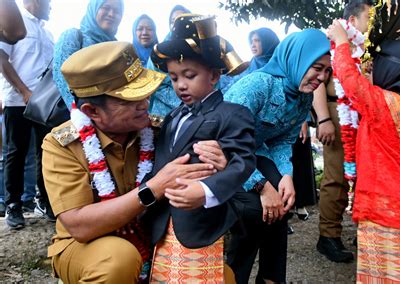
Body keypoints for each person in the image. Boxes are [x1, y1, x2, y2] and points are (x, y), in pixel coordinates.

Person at [42, 41, 229, 283]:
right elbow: (79, 226)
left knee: (221, 275)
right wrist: (153, 189)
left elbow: (202, 183)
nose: (144, 104)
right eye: (129, 100)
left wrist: (219, 167)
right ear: (92, 111)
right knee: (118, 260)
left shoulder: (162, 131)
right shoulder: (62, 144)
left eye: (144, 92)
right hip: (86, 246)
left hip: (152, 236)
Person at [147, 14, 256, 282]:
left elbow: (243, 162)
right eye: (173, 77)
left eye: (189, 75)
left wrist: (206, 190)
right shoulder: (172, 116)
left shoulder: (233, 113)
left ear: (215, 75)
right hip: (162, 220)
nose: (180, 84)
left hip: (203, 220)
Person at [327, 20, 400, 283]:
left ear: (392, 71)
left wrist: (342, 42)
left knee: (384, 276)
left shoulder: (384, 105)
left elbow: (349, 80)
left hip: (385, 211)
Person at [225, 29, 332, 283]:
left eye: (327, 71)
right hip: (221, 156)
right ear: (297, 59)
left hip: (253, 151)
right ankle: (233, 276)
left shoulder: (302, 97)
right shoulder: (258, 85)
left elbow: (283, 140)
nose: (322, 77)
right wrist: (261, 186)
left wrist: (285, 176)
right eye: (317, 68)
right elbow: (226, 141)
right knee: (254, 209)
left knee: (282, 202)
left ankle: (272, 278)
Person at [313, 0, 371, 262]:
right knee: (336, 177)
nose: (372, 23)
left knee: (367, 176)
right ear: (355, 19)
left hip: (364, 113)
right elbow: (316, 82)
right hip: (338, 113)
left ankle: (367, 231)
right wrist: (323, 118)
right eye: (369, 16)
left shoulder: (365, 46)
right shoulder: (331, 41)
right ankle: (328, 236)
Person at [0, 0, 54, 229]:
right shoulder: (14, 22)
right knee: (16, 151)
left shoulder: (48, 33)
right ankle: (13, 204)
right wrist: (23, 91)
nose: (51, 6)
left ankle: (46, 199)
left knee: (47, 152)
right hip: (17, 102)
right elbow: (2, 59)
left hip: (45, 103)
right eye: (48, 2)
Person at [53, 0, 123, 110]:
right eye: (106, 7)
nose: (111, 14)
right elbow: (61, 76)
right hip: (77, 115)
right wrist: (78, 112)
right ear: (93, 8)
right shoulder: (73, 36)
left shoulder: (118, 47)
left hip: (109, 118)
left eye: (117, 11)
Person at [219, 27, 280, 93]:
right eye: (251, 41)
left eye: (257, 40)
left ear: (268, 42)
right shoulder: (247, 68)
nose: (252, 45)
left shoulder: (280, 66)